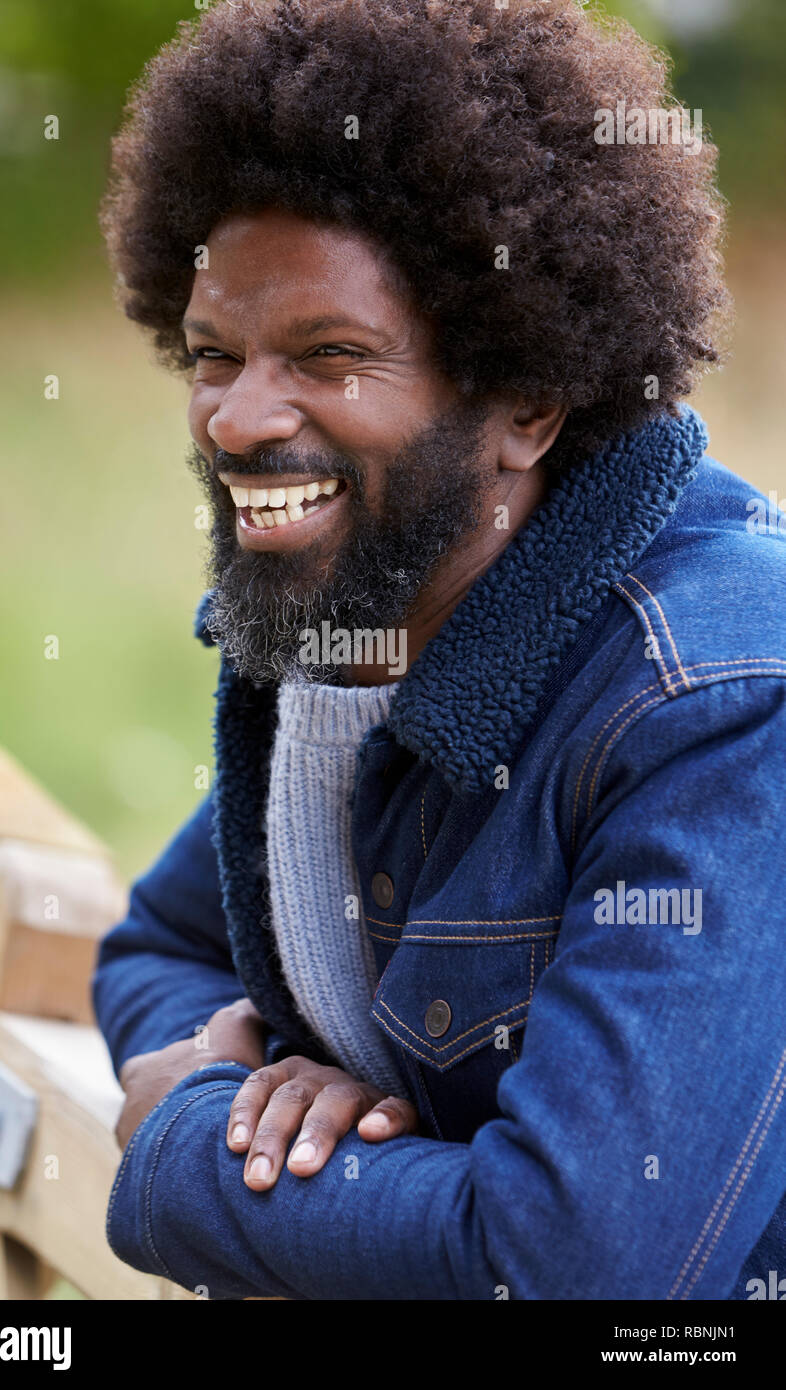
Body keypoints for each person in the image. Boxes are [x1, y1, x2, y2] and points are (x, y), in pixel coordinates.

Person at [91, 0, 786, 1299]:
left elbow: (577, 1264)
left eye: (328, 356)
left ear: (525, 399)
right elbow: (156, 946)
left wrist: (192, 1142)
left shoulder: (722, 689)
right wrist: (257, 1085)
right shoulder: (343, 618)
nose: (237, 418)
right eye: (211, 354)